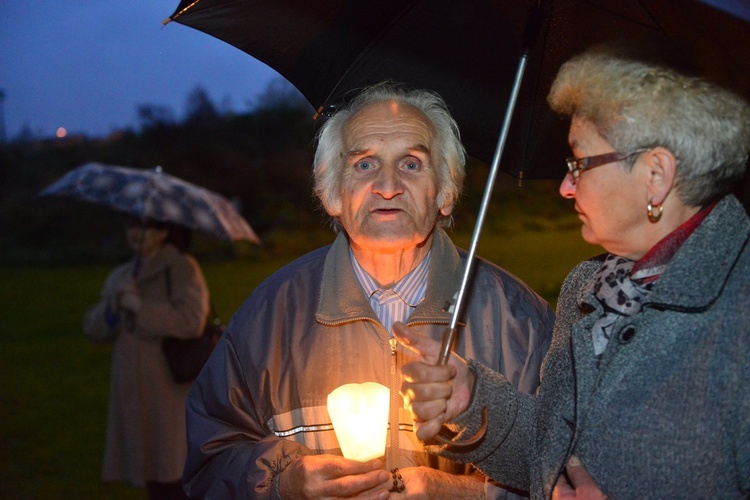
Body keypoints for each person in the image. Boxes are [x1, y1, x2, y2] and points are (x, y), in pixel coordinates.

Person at [395, 47, 750, 499]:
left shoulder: (739, 310)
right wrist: (470, 400)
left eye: (580, 163)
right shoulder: (588, 289)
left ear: (656, 174)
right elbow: (553, 453)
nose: (565, 187)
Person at [182, 83, 555, 499]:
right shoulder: (269, 316)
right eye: (364, 165)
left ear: (446, 193)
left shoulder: (520, 319)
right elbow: (209, 462)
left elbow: (569, 473)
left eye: (412, 164)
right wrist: (284, 484)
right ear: (331, 193)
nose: (388, 185)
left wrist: (462, 494)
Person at [84, 218, 209, 500]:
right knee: (151, 470)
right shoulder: (121, 275)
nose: (137, 234)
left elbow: (191, 321)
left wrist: (141, 307)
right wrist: (112, 310)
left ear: (164, 232)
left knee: (173, 468)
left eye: (147, 227)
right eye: (131, 227)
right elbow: (93, 329)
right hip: (131, 386)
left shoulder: (181, 267)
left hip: (167, 387)